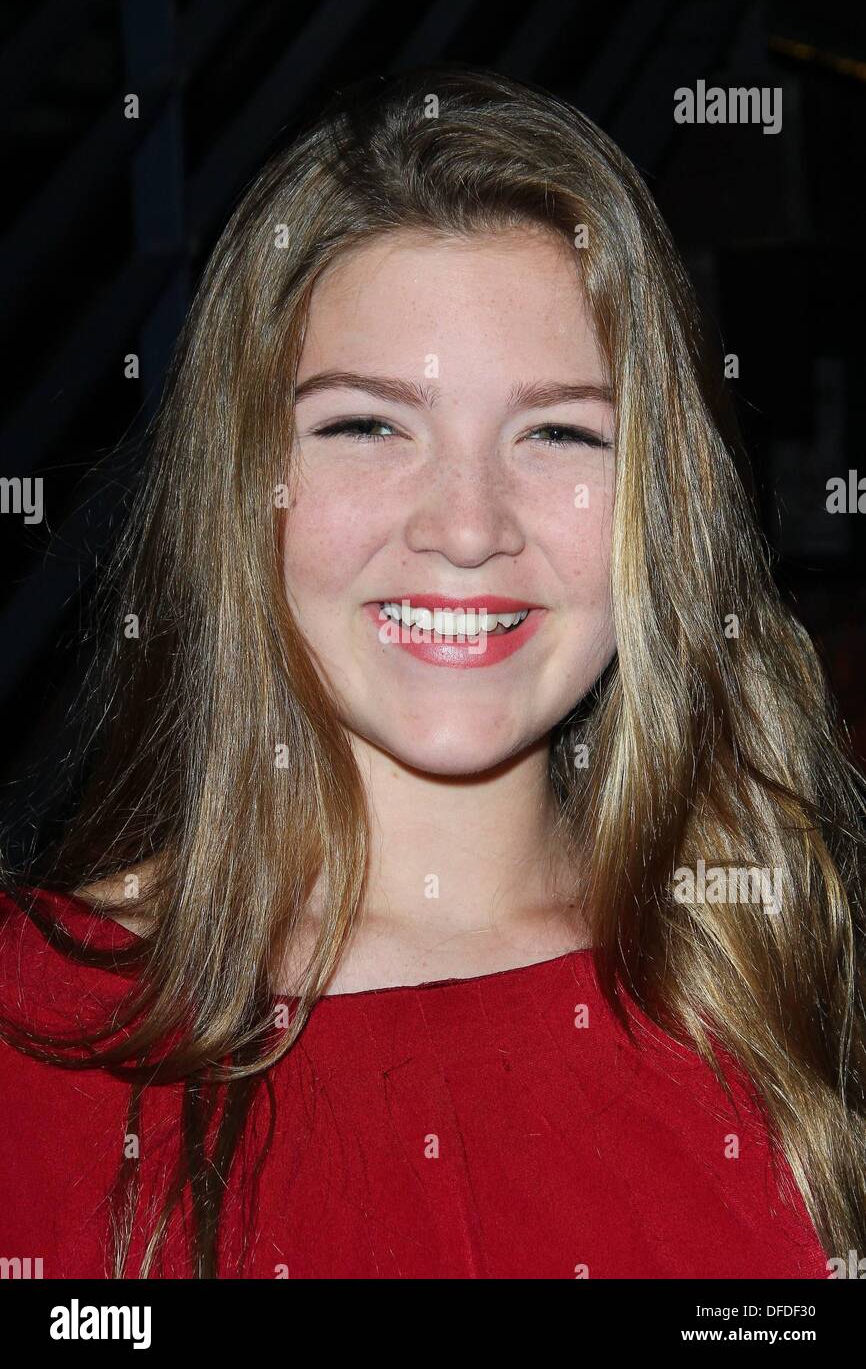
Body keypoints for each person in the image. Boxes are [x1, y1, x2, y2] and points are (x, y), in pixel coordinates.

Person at [1, 64, 863, 1280]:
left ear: (660, 506)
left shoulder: (787, 980)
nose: (466, 527)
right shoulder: (34, 1032)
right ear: (246, 487)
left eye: (558, 430)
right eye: (367, 426)